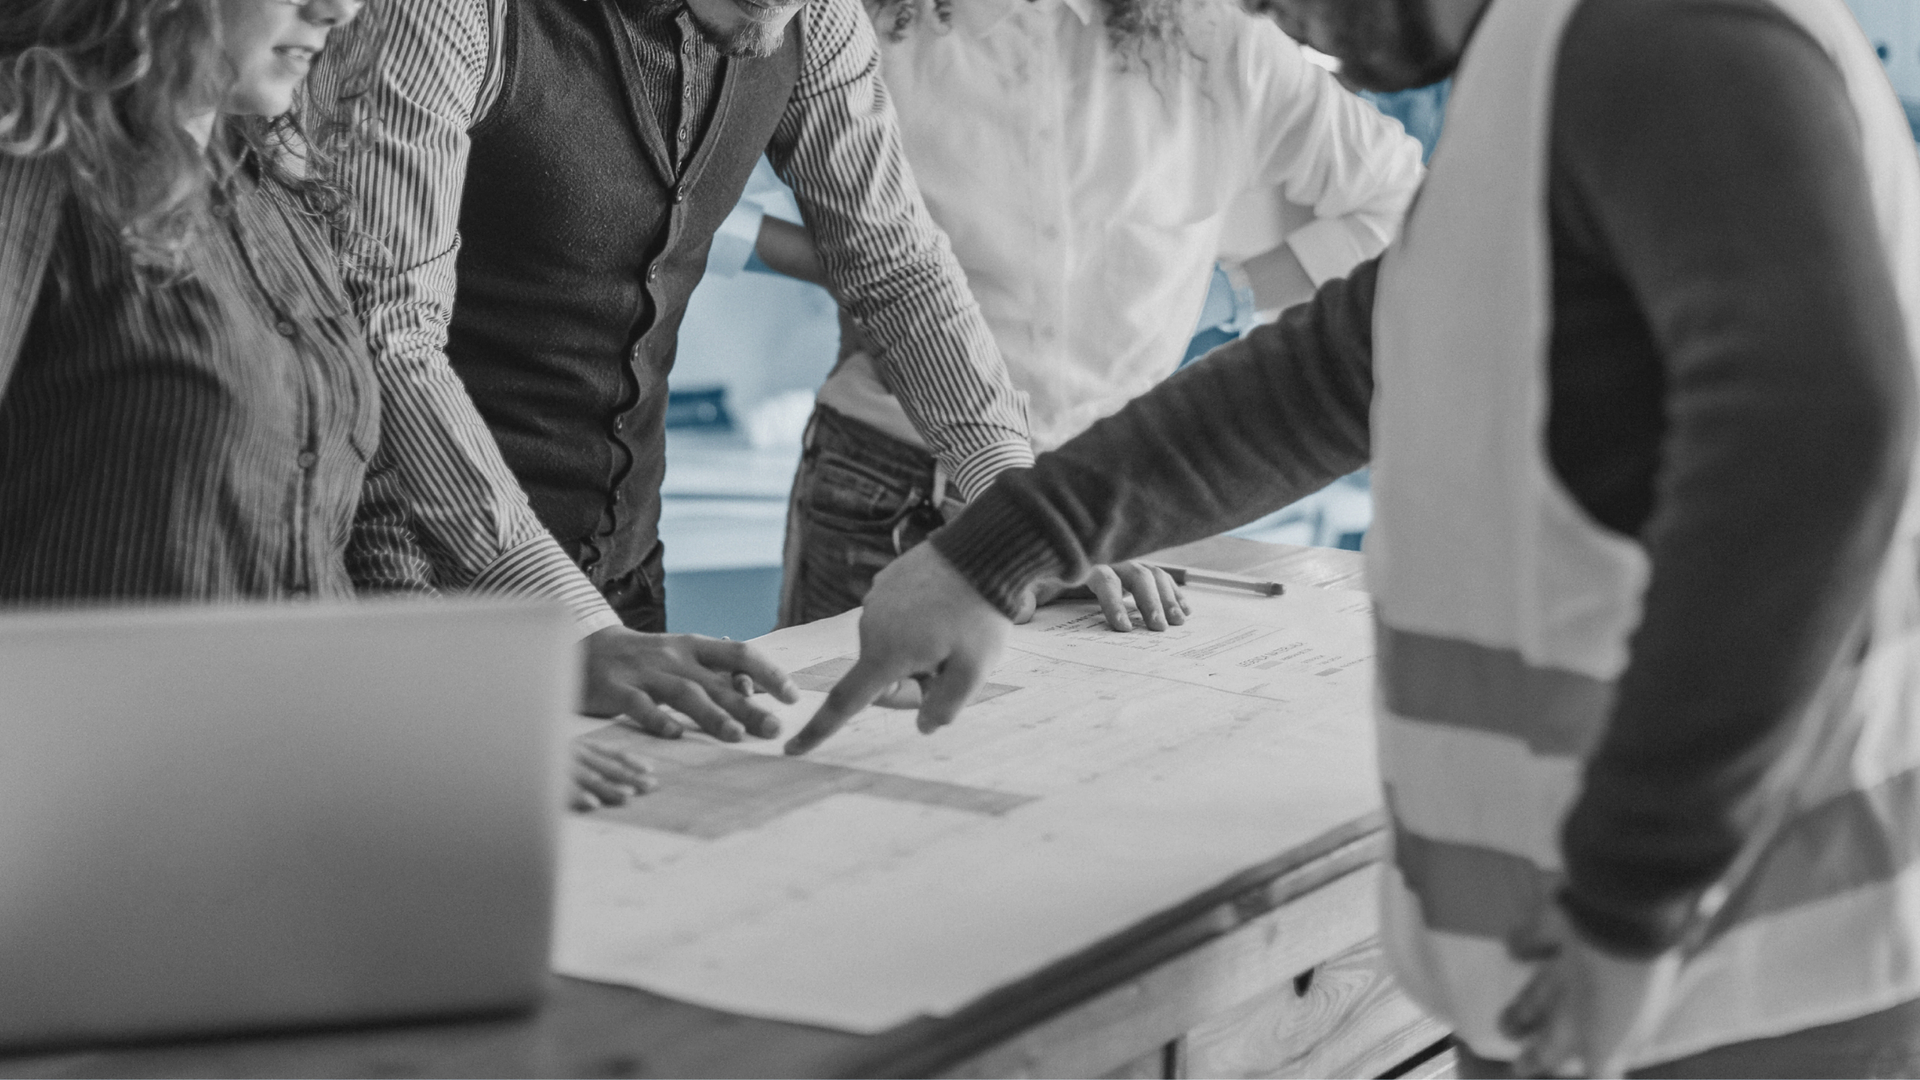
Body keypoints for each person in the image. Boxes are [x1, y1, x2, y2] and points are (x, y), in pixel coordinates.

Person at [786, 0, 1920, 1075]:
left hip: (1732, 980)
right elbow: (1347, 362)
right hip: (1643, 960)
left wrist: (1631, 902)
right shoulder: (1546, 59)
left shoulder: (1655, 36)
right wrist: (1000, 550)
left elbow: (1819, 431)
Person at [313, 0, 1167, 741]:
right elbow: (385, 332)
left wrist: (1016, 509)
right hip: (417, 579)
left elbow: (895, 264)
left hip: (622, 580)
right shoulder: (447, 14)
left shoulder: (809, 16)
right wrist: (566, 624)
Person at [0, 0, 681, 810]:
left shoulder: (277, 188)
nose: (338, 9)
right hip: (109, 808)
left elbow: (365, 513)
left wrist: (437, 713)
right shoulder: (32, 159)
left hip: (303, 781)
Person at [752, 0, 1424, 632]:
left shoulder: (1220, 41)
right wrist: (870, 262)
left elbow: (1402, 202)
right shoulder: (869, 27)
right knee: (838, 742)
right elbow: (702, 201)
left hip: (1118, 505)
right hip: (889, 486)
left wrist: (1222, 296)